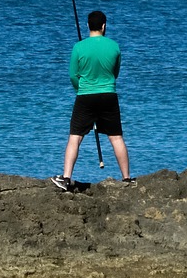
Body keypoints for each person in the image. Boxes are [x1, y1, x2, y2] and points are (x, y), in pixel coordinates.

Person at [51, 10, 134, 190]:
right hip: (108, 95)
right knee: (116, 137)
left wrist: (79, 90)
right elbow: (115, 73)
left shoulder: (78, 47)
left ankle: (66, 178)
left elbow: (73, 75)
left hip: (85, 97)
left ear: (88, 26)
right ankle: (127, 178)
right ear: (104, 26)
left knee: (75, 138)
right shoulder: (114, 46)